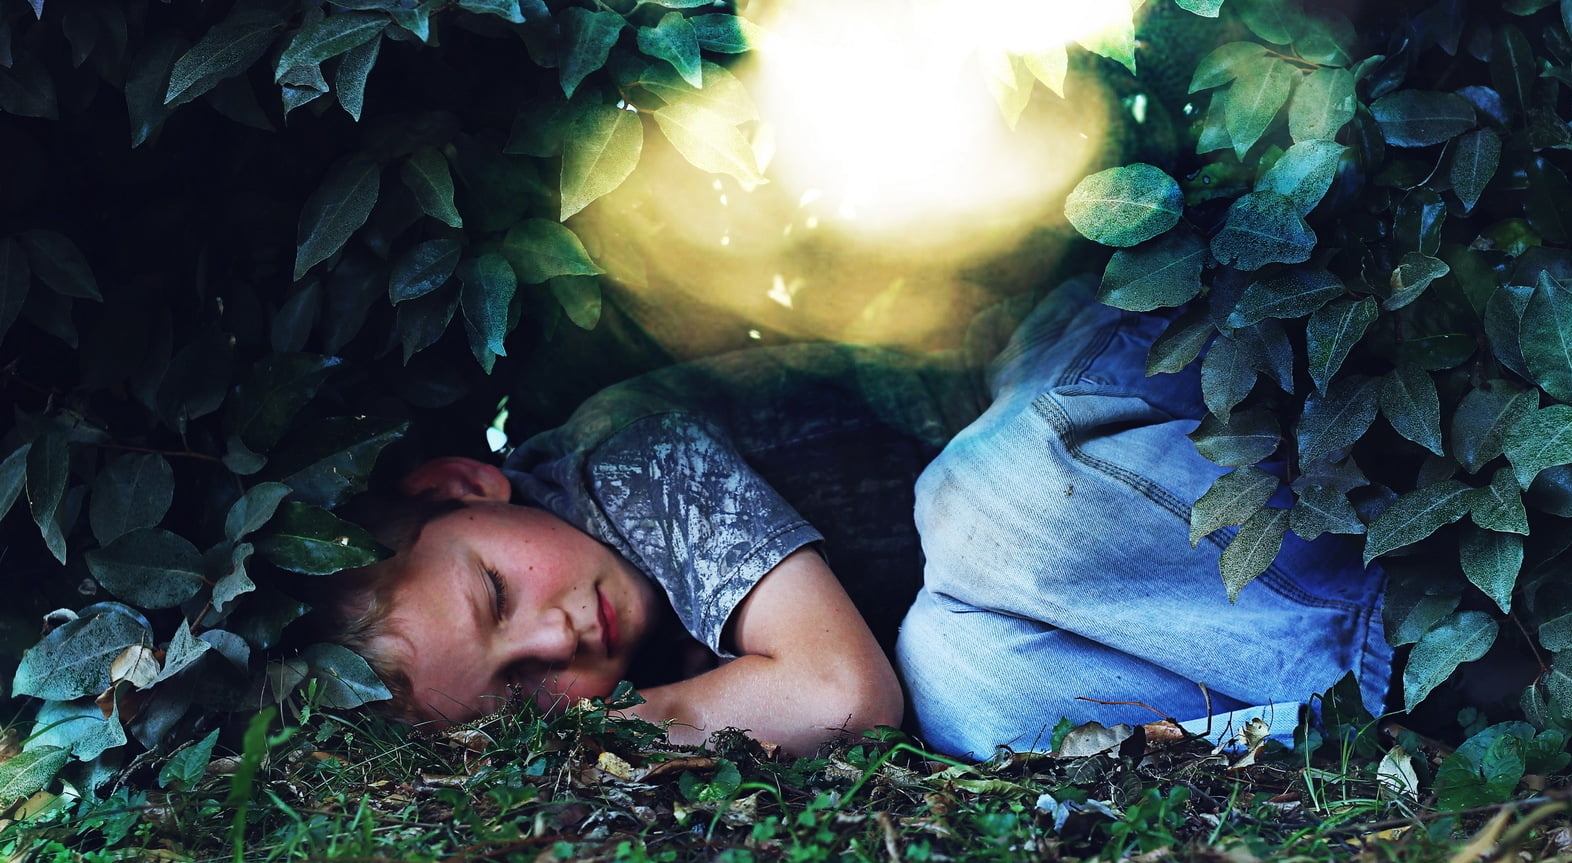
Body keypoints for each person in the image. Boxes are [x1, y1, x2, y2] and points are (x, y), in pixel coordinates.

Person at [312, 276, 1392, 758]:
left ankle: (1400, 609)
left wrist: (586, 733)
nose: (558, 639)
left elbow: (835, 692)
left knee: (978, 503)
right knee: (964, 694)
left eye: (498, 594)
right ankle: (1367, 704)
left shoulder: (616, 455)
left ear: (460, 490)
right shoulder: (633, 647)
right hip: (1108, 573)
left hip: (1089, 379)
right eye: (523, 693)